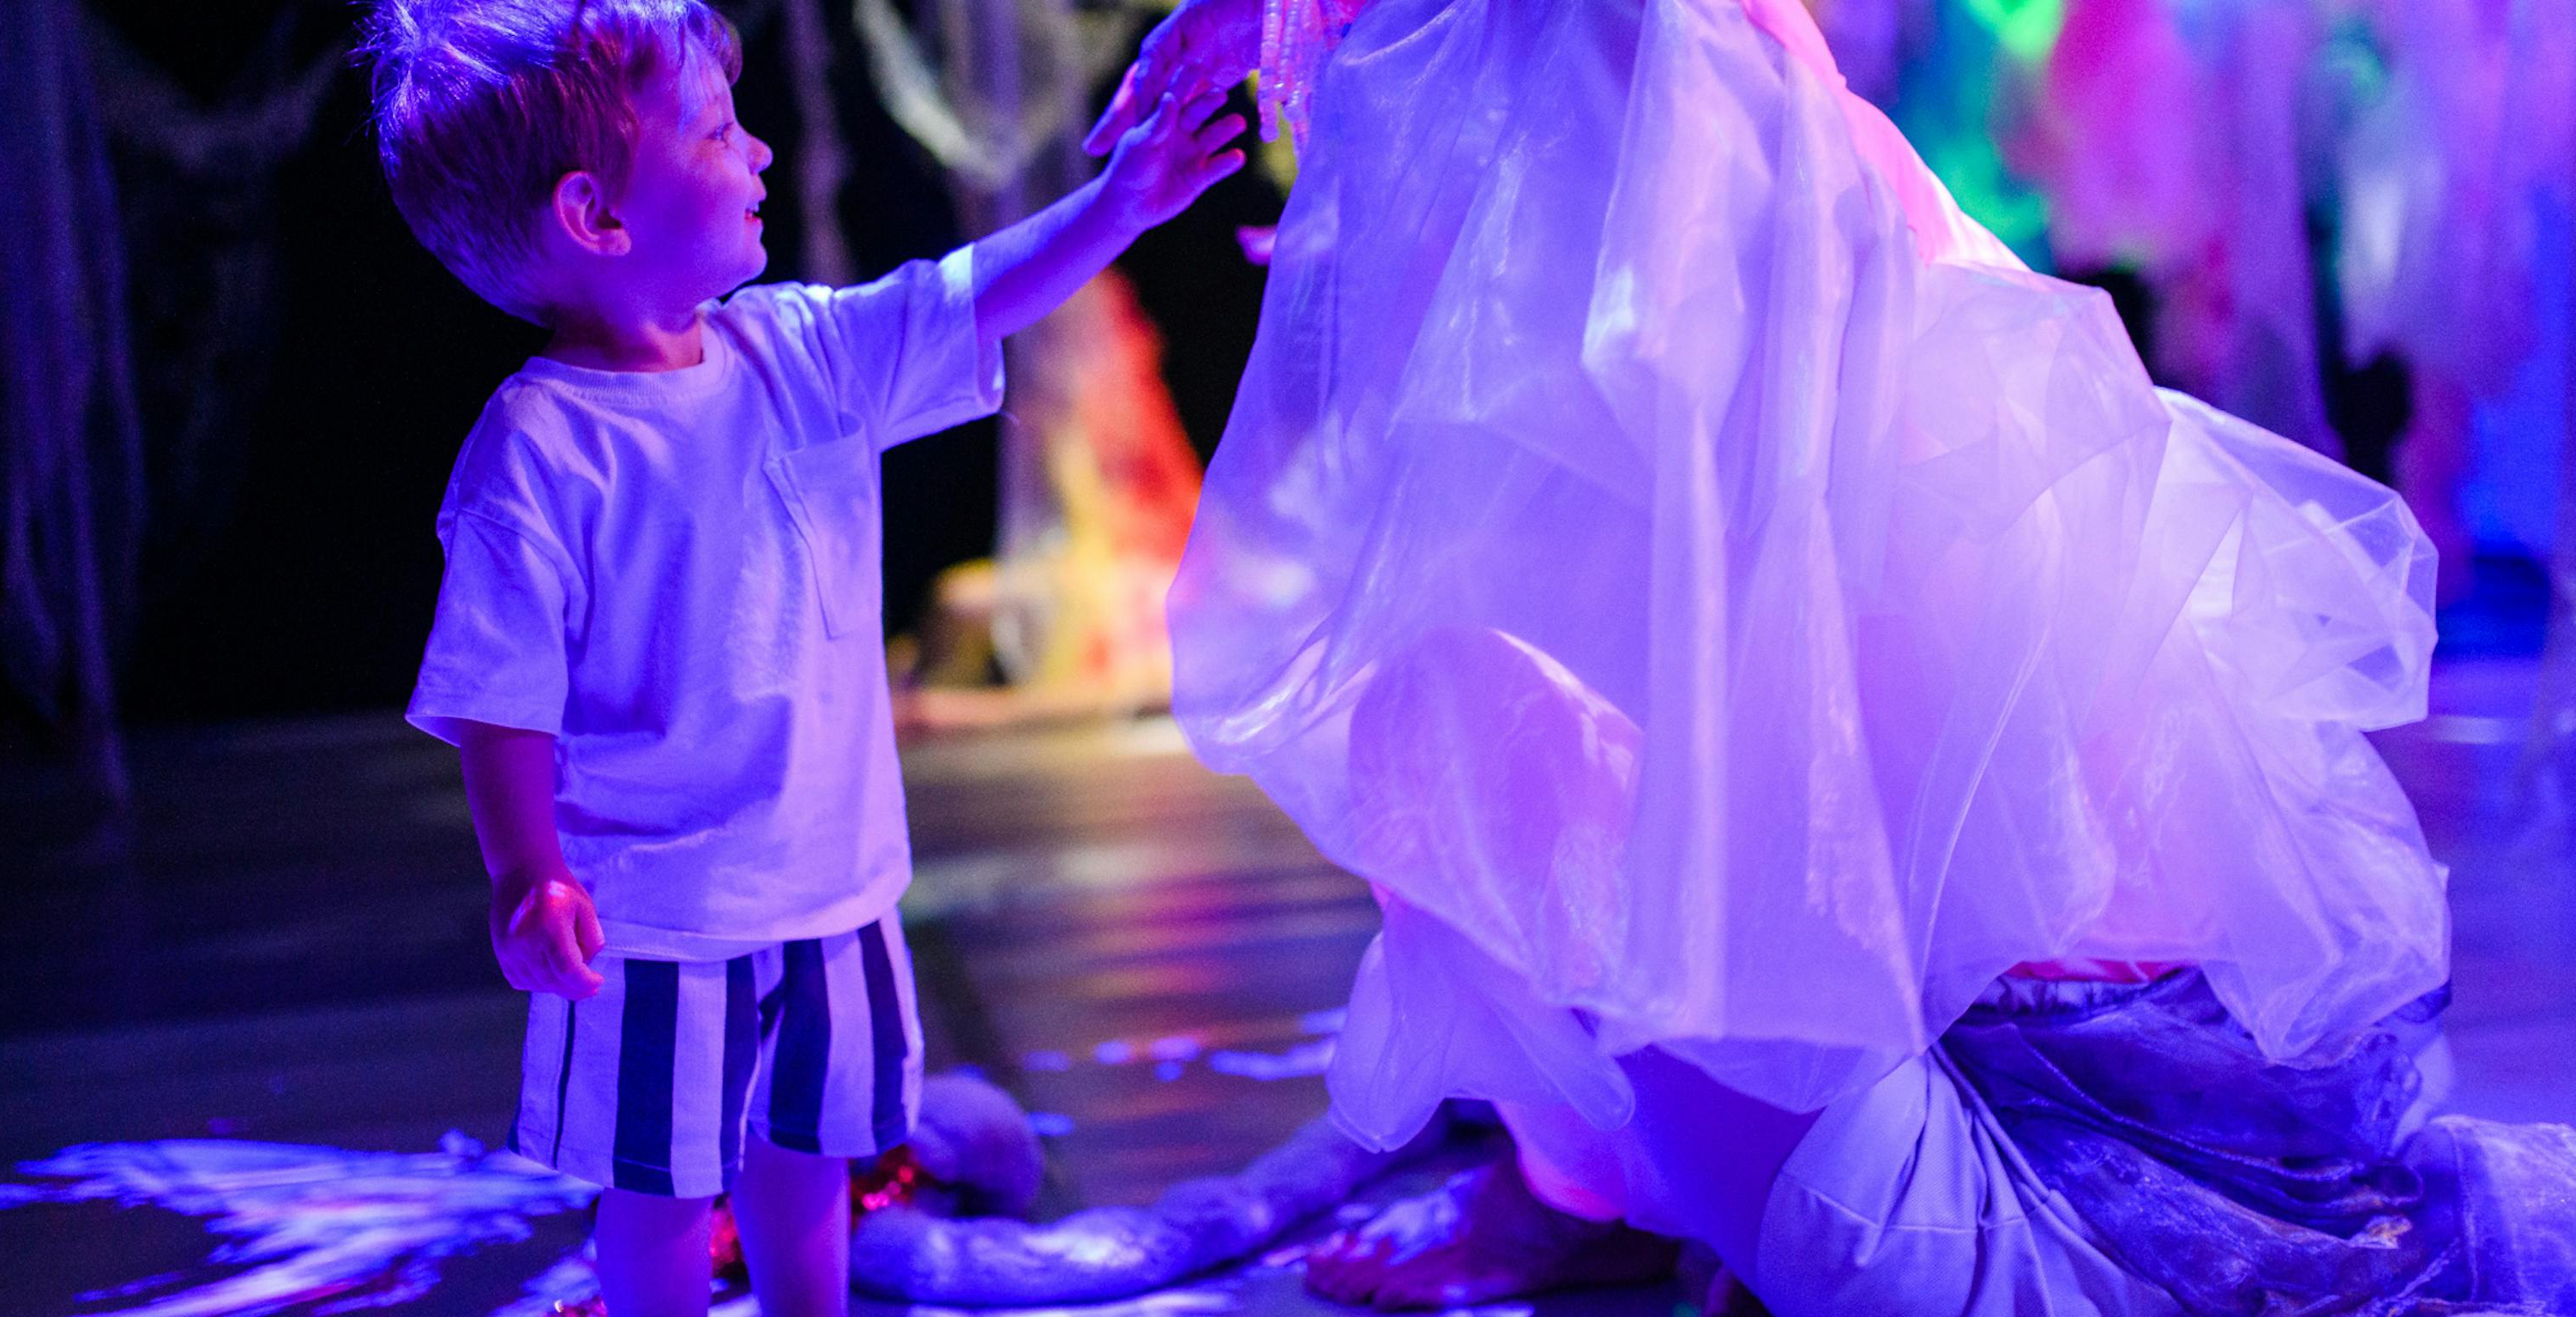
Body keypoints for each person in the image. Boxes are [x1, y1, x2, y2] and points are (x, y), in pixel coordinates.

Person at [1087, 0, 2576, 1310]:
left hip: (1903, 1159)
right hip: (1946, 1118)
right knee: (1649, 584)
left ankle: (1583, 1186)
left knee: (1510, 664)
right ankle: (1586, 1182)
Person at [363, 3, 1243, 1313]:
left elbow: (967, 294)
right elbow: (500, 694)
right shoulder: (542, 451)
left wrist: (1117, 209)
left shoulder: (800, 353)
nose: (760, 152)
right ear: (598, 218)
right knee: (660, 1183)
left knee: (808, 1149)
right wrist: (528, 871)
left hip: (834, 891)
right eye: (716, 131)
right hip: (657, 921)